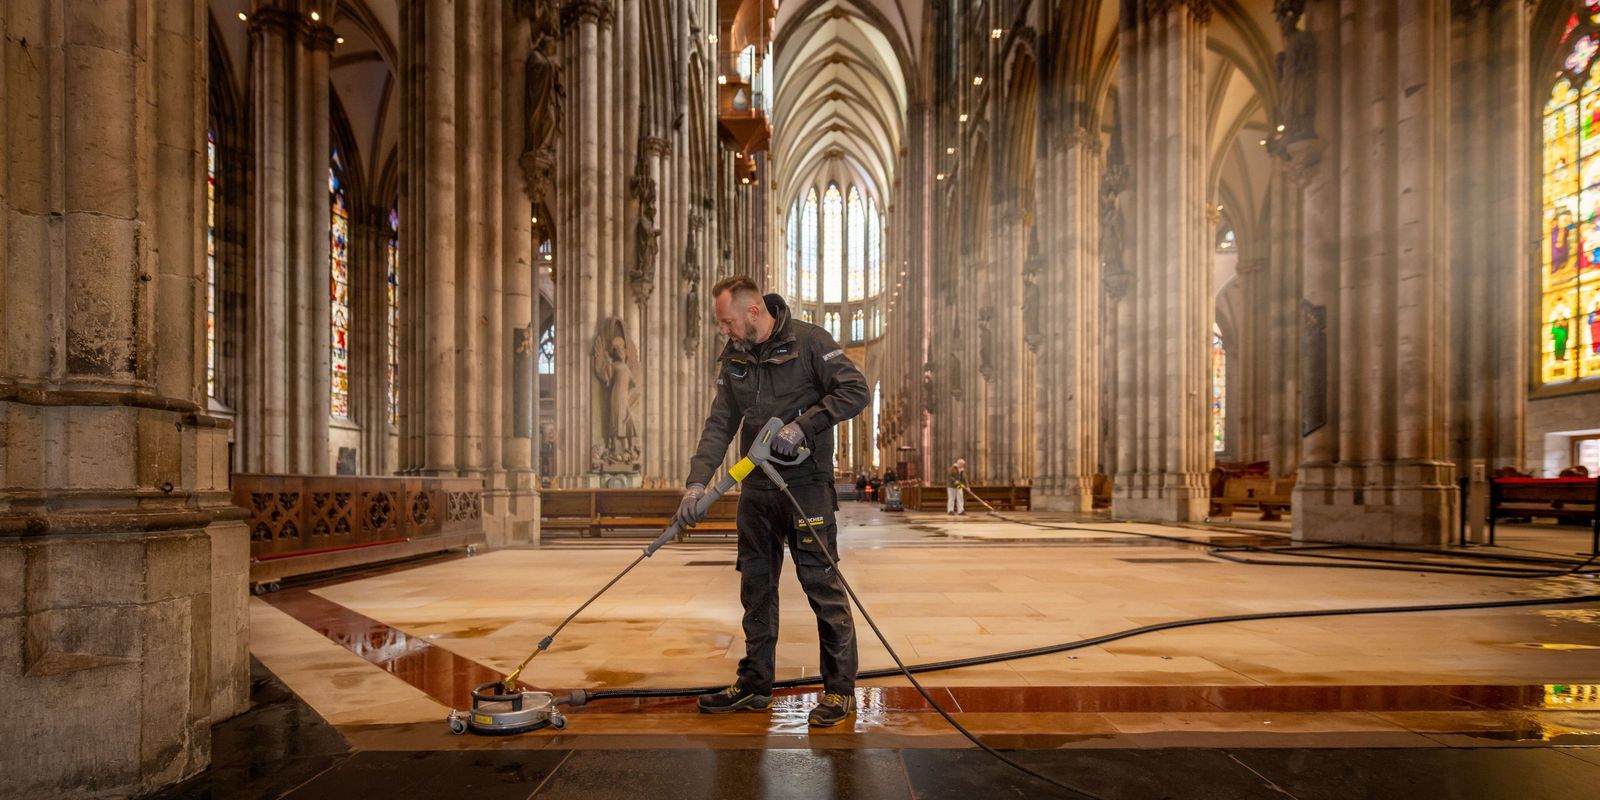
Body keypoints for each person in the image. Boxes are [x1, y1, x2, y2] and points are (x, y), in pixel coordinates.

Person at [671, 276, 870, 728]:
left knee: (822, 587)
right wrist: (696, 483)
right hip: (756, 489)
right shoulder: (736, 357)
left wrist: (805, 425)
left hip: (805, 488)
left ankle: (839, 692)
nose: (724, 330)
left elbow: (855, 391)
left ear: (754, 313)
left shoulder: (811, 342)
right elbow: (720, 423)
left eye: (727, 322)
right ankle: (756, 684)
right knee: (756, 589)